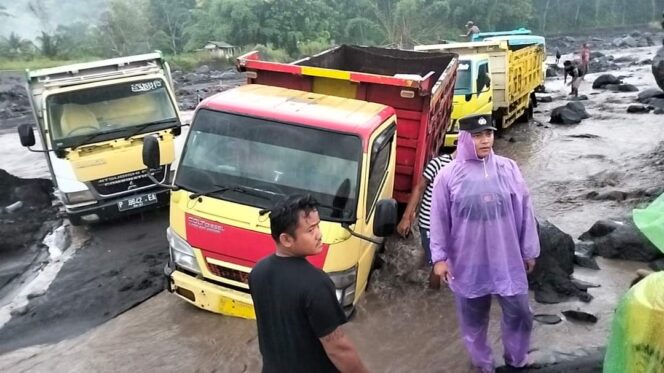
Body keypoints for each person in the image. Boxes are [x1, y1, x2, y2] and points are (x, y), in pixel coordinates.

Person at [429, 114, 540, 373]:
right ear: (466, 138)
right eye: (478, 135)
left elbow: (525, 209)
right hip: (468, 261)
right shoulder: (447, 176)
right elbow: (438, 219)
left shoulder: (508, 168)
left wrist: (529, 251)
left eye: (489, 133)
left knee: (521, 313)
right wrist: (440, 259)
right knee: (473, 320)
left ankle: (517, 359)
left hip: (507, 257)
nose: (485, 140)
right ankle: (482, 364)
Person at [249, 194, 368, 373]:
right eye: (310, 230)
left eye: (318, 226)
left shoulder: (258, 271)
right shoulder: (316, 284)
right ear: (286, 239)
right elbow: (338, 349)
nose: (319, 235)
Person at [397, 150, 454, 288]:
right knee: (439, 263)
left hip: (450, 226)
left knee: (433, 259)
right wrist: (406, 217)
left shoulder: (468, 169)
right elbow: (419, 188)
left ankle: (411, 274)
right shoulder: (438, 163)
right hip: (430, 224)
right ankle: (431, 296)